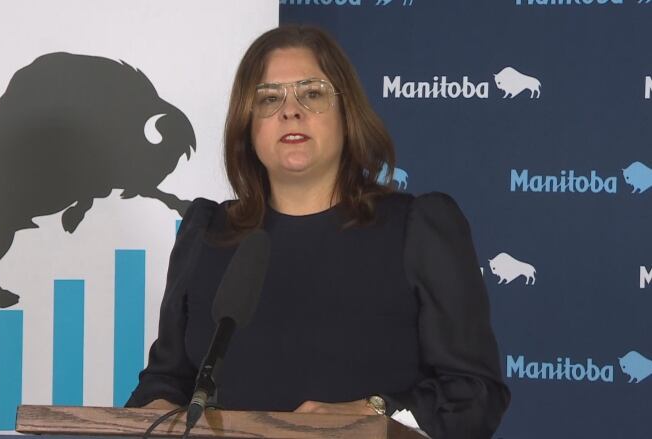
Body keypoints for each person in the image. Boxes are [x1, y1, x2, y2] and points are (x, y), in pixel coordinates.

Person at [125, 25, 510, 439]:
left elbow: (474, 394)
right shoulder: (206, 234)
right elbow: (164, 383)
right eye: (269, 99)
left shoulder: (418, 228)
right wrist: (156, 415)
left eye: (312, 93)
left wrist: (370, 414)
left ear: (347, 114)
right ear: (247, 125)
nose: (291, 111)